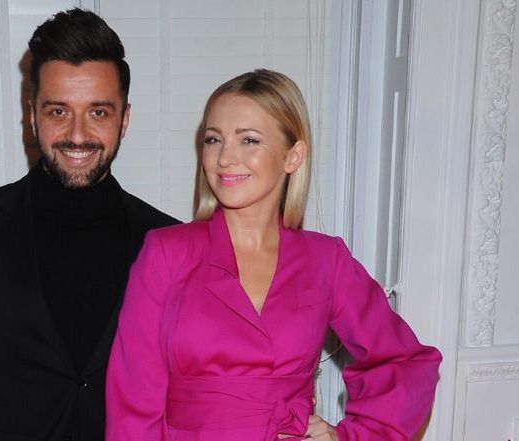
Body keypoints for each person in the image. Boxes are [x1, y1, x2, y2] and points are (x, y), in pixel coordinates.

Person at [106, 69, 442, 441]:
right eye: (214, 139)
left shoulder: (324, 259)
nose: (225, 158)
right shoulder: (166, 253)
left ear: (292, 156)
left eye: (248, 140)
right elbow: (133, 404)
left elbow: (405, 362)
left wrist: (347, 436)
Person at [0, 8, 178, 441]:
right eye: (58, 111)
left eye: (98, 112)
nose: (77, 134)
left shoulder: (168, 242)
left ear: (124, 119)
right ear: (32, 115)